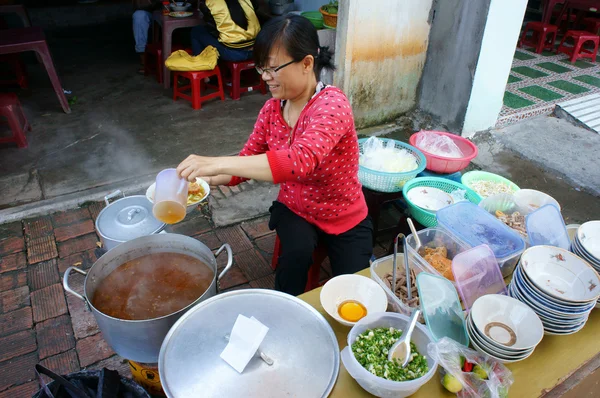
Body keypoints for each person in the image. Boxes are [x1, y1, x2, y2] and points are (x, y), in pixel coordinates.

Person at [177, 15, 373, 296]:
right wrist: (199, 178)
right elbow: (242, 167)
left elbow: (298, 162)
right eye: (262, 69)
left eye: (273, 69)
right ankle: (284, 308)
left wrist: (213, 160)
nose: (265, 77)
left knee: (355, 291)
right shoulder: (271, 111)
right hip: (296, 209)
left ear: (306, 63)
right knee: (295, 260)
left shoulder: (332, 104)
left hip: (344, 213)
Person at [191, 0, 262, 62]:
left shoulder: (211, 2)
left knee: (197, 30)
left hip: (234, 54)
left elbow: (213, 29)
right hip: (257, 50)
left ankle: (203, 70)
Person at [132, 0, 162, 71]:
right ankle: (144, 60)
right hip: (152, 12)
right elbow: (138, 5)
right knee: (139, 16)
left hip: (180, 11)